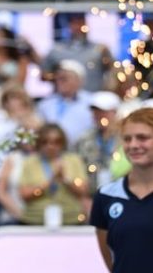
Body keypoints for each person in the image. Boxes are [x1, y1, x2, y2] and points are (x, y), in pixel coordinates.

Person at [91, 108, 153, 273]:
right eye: (127, 139)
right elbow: (111, 260)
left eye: (142, 138)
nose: (133, 145)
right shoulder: (106, 196)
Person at [19, 124, 89, 225]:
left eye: (57, 141)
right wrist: (49, 182)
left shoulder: (73, 160)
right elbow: (24, 195)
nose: (51, 146)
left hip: (71, 220)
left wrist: (65, 180)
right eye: (45, 142)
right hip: (35, 221)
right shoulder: (30, 162)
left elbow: (83, 191)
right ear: (39, 143)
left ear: (63, 142)